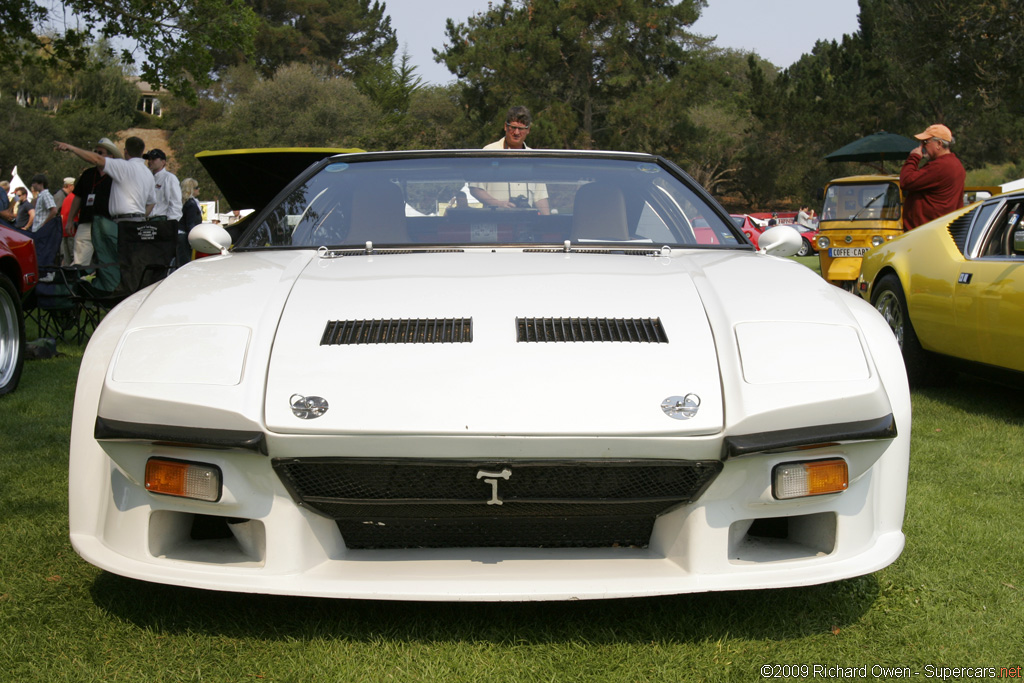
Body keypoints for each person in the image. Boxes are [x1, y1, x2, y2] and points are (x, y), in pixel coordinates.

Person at [54, 136, 156, 291]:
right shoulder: (147, 173)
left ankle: (103, 291)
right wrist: (140, 215)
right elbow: (151, 202)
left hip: (119, 223)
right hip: (137, 223)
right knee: (127, 264)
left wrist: (71, 147)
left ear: (125, 152)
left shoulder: (123, 167)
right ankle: (123, 294)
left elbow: (96, 159)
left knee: (111, 261)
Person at [469, 105, 550, 214]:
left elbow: (540, 198)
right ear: (505, 127)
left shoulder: (533, 157)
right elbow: (475, 189)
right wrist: (499, 204)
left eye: (521, 129)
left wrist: (547, 222)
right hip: (496, 222)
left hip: (527, 224)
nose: (516, 133)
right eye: (513, 127)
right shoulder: (489, 152)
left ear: (528, 130)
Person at [65, 138, 121, 287]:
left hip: (108, 223)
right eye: (95, 152)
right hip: (87, 221)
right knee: (80, 259)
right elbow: (77, 197)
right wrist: (70, 219)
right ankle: (75, 290)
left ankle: (107, 288)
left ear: (110, 156)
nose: (96, 155)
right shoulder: (88, 174)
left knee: (107, 258)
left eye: (100, 152)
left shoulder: (117, 175)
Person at [899, 124, 965, 230]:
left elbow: (906, 181)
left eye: (925, 142)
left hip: (927, 231)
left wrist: (914, 157)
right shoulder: (954, 164)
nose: (922, 146)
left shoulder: (940, 166)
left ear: (939, 143)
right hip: (937, 229)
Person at [178, 177, 202, 266]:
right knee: (185, 263)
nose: (199, 189)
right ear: (191, 190)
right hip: (185, 237)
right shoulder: (191, 204)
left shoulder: (183, 202)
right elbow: (190, 223)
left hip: (180, 235)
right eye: (196, 188)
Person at [57, 177, 77, 265]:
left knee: (67, 257)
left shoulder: (66, 198)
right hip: (72, 230)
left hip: (64, 230)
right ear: (70, 186)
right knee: (74, 256)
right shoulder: (75, 198)